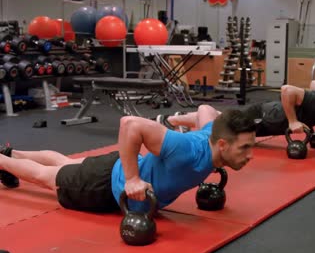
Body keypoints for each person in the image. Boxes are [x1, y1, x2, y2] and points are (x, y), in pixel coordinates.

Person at [0, 105, 257, 213]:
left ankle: (11, 154)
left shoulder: (210, 135)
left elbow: (206, 110)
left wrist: (176, 119)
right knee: (43, 177)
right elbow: (130, 124)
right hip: (103, 187)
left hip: (114, 166)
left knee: (64, 163)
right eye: (244, 148)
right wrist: (133, 179)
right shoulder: (187, 148)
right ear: (222, 144)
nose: (249, 156)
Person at [157, 80, 315, 137]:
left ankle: (176, 119)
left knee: (224, 118)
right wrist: (293, 121)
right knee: (223, 122)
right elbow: (286, 90)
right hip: (268, 117)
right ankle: (171, 121)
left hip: (270, 112)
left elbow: (314, 82)